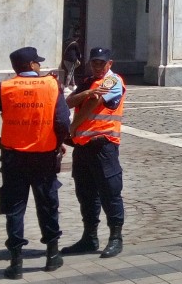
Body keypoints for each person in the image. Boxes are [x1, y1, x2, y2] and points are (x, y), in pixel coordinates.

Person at [0, 47, 71, 279]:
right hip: (44, 156)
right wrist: (57, 143)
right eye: (38, 62)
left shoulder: (5, 88)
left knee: (14, 207)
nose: (40, 66)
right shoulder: (51, 86)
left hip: (13, 157)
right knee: (47, 203)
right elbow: (62, 122)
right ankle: (52, 256)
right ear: (31, 65)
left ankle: (15, 263)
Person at [62, 47, 126, 259]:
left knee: (110, 191)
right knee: (86, 194)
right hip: (82, 147)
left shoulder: (112, 81)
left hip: (103, 145)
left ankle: (116, 238)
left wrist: (71, 128)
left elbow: (92, 103)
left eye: (102, 63)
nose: (98, 66)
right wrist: (85, 92)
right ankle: (89, 237)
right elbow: (66, 103)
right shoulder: (88, 81)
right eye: (95, 62)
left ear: (110, 63)